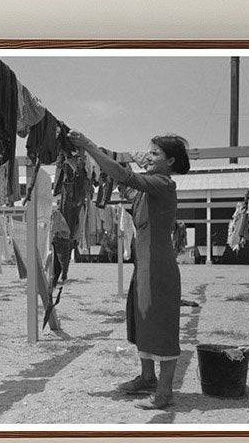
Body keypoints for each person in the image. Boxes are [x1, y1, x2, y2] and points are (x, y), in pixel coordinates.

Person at [68, 131, 190, 409]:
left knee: (161, 326)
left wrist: (88, 145)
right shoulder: (148, 189)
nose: (149, 156)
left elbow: (126, 177)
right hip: (145, 265)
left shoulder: (163, 184)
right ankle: (148, 378)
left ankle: (164, 393)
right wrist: (107, 159)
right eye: (149, 152)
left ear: (170, 161)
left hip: (159, 268)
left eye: (155, 153)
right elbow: (126, 185)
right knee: (142, 319)